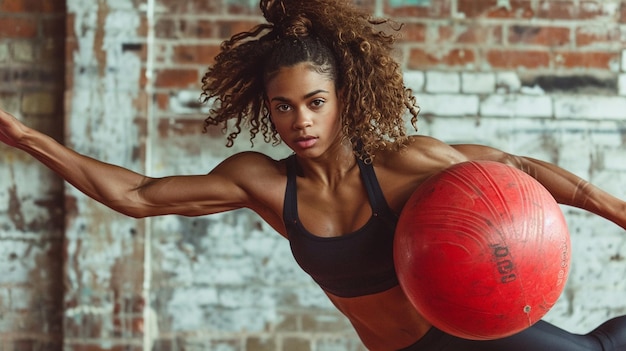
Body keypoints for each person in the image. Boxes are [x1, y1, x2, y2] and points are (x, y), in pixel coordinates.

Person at [1, 0, 626, 349]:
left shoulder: (405, 161)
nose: (300, 120)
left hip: (478, 338)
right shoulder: (265, 185)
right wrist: (27, 138)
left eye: (315, 102)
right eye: (284, 106)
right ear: (266, 108)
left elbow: (513, 168)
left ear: (344, 98)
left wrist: (617, 209)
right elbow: (137, 195)